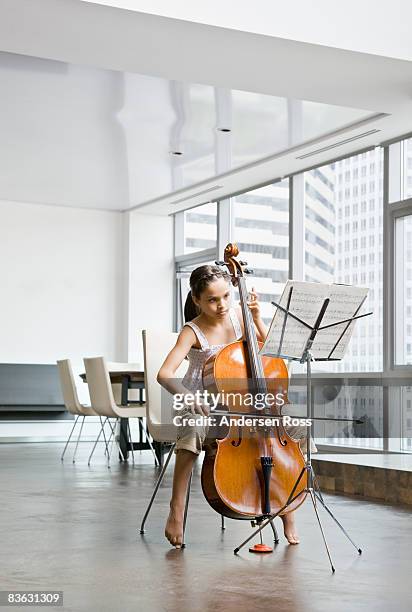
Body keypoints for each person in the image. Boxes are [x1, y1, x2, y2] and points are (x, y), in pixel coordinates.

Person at [157, 265, 302, 548]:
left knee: (295, 423)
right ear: (197, 300)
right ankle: (176, 508)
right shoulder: (192, 330)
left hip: (242, 404)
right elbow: (164, 374)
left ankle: (288, 506)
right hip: (204, 404)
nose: (221, 305)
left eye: (226, 296)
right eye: (212, 300)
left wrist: (257, 318)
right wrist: (189, 397)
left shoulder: (240, 316)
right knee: (193, 424)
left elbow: (272, 352)